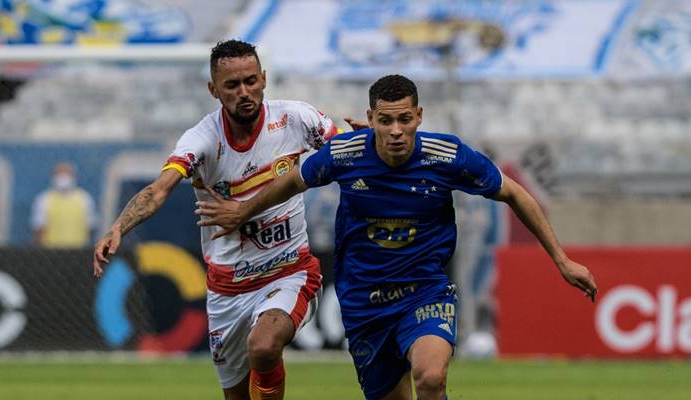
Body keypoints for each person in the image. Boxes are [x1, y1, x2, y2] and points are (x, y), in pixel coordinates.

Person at [196, 74, 598, 400]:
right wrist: (243, 211)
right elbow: (292, 181)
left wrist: (562, 260)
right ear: (370, 118)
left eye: (404, 119)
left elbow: (514, 193)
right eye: (385, 121)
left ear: (419, 116)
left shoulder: (446, 156)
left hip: (424, 292)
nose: (396, 131)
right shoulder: (345, 154)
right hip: (364, 303)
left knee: (430, 378)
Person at [93, 39, 347, 400]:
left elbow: (346, 153)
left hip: (289, 272)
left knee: (264, 345)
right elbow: (159, 190)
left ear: (263, 78)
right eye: (232, 85)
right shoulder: (201, 140)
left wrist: (369, 142)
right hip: (227, 291)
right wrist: (118, 227)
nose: (244, 92)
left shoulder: (296, 119)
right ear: (213, 89)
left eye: (251, 81)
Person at [31, 161, 98, 248]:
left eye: (66, 173)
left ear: (74, 176)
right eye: (59, 173)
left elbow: (90, 227)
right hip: (51, 250)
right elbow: (39, 228)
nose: (63, 177)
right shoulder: (44, 199)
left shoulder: (84, 198)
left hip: (79, 249)